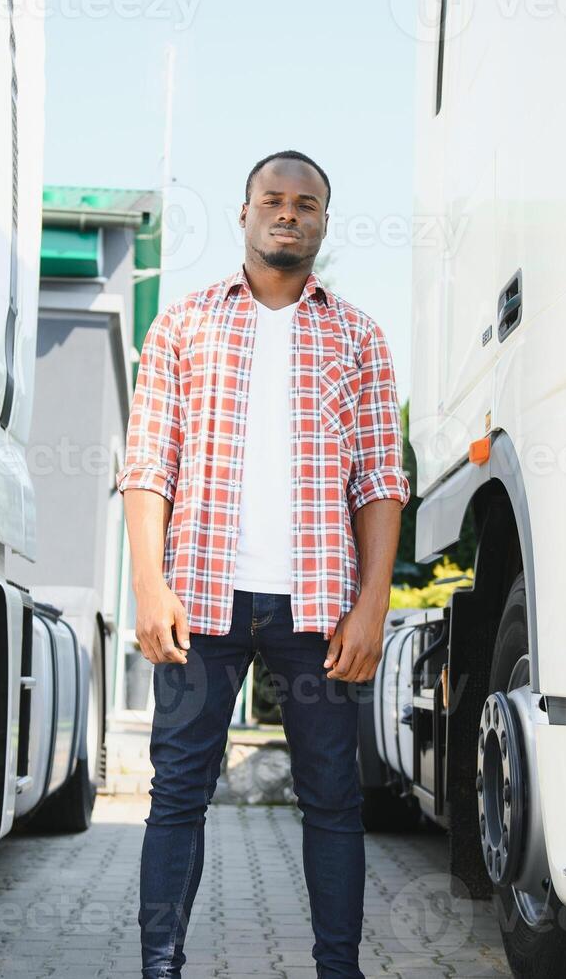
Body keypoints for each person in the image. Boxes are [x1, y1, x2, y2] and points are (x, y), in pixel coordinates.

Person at [116, 149, 410, 979]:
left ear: (322, 220)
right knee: (176, 796)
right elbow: (148, 466)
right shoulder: (184, 324)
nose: (289, 212)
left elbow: (381, 480)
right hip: (201, 602)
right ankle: (160, 968)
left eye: (306, 202)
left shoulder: (358, 335)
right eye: (273, 200)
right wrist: (149, 584)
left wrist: (372, 604)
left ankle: (336, 970)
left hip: (316, 609)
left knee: (333, 800)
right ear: (244, 214)